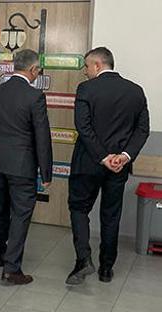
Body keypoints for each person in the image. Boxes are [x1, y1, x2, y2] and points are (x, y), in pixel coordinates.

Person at [66, 46, 150, 284]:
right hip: (119, 167)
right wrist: (124, 156)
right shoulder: (135, 91)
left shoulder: (86, 89)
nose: (85, 71)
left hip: (87, 163)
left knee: (79, 208)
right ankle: (106, 268)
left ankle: (83, 260)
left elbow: (83, 127)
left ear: (97, 65)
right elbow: (142, 129)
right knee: (111, 215)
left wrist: (103, 157)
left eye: (86, 66)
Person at [0, 48, 52, 285]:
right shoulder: (35, 96)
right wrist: (46, 172)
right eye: (37, 70)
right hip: (22, 165)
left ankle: (0, 255)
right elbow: (42, 137)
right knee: (21, 214)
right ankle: (12, 268)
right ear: (33, 69)